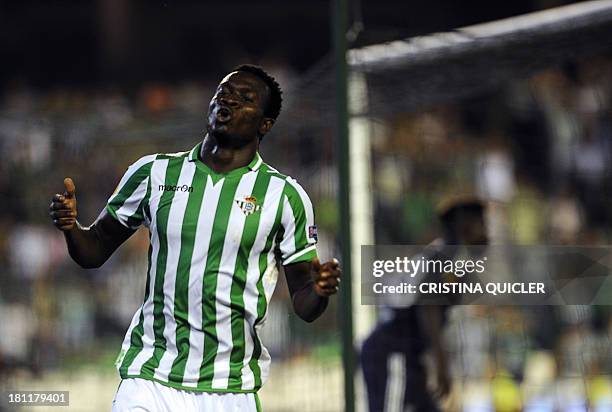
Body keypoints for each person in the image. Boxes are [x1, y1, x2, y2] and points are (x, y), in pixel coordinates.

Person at [49, 64, 341, 412]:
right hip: (151, 374)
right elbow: (93, 251)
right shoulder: (154, 173)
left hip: (230, 387)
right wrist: (71, 228)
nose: (228, 101)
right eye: (224, 93)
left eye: (244, 99)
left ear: (265, 124)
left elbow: (304, 304)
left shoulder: (284, 197)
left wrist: (320, 291)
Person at [361, 197, 487, 412]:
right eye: (481, 224)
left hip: (411, 357)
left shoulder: (449, 255)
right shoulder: (450, 257)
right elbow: (429, 308)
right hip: (392, 353)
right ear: (464, 225)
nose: (486, 232)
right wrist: (441, 365)